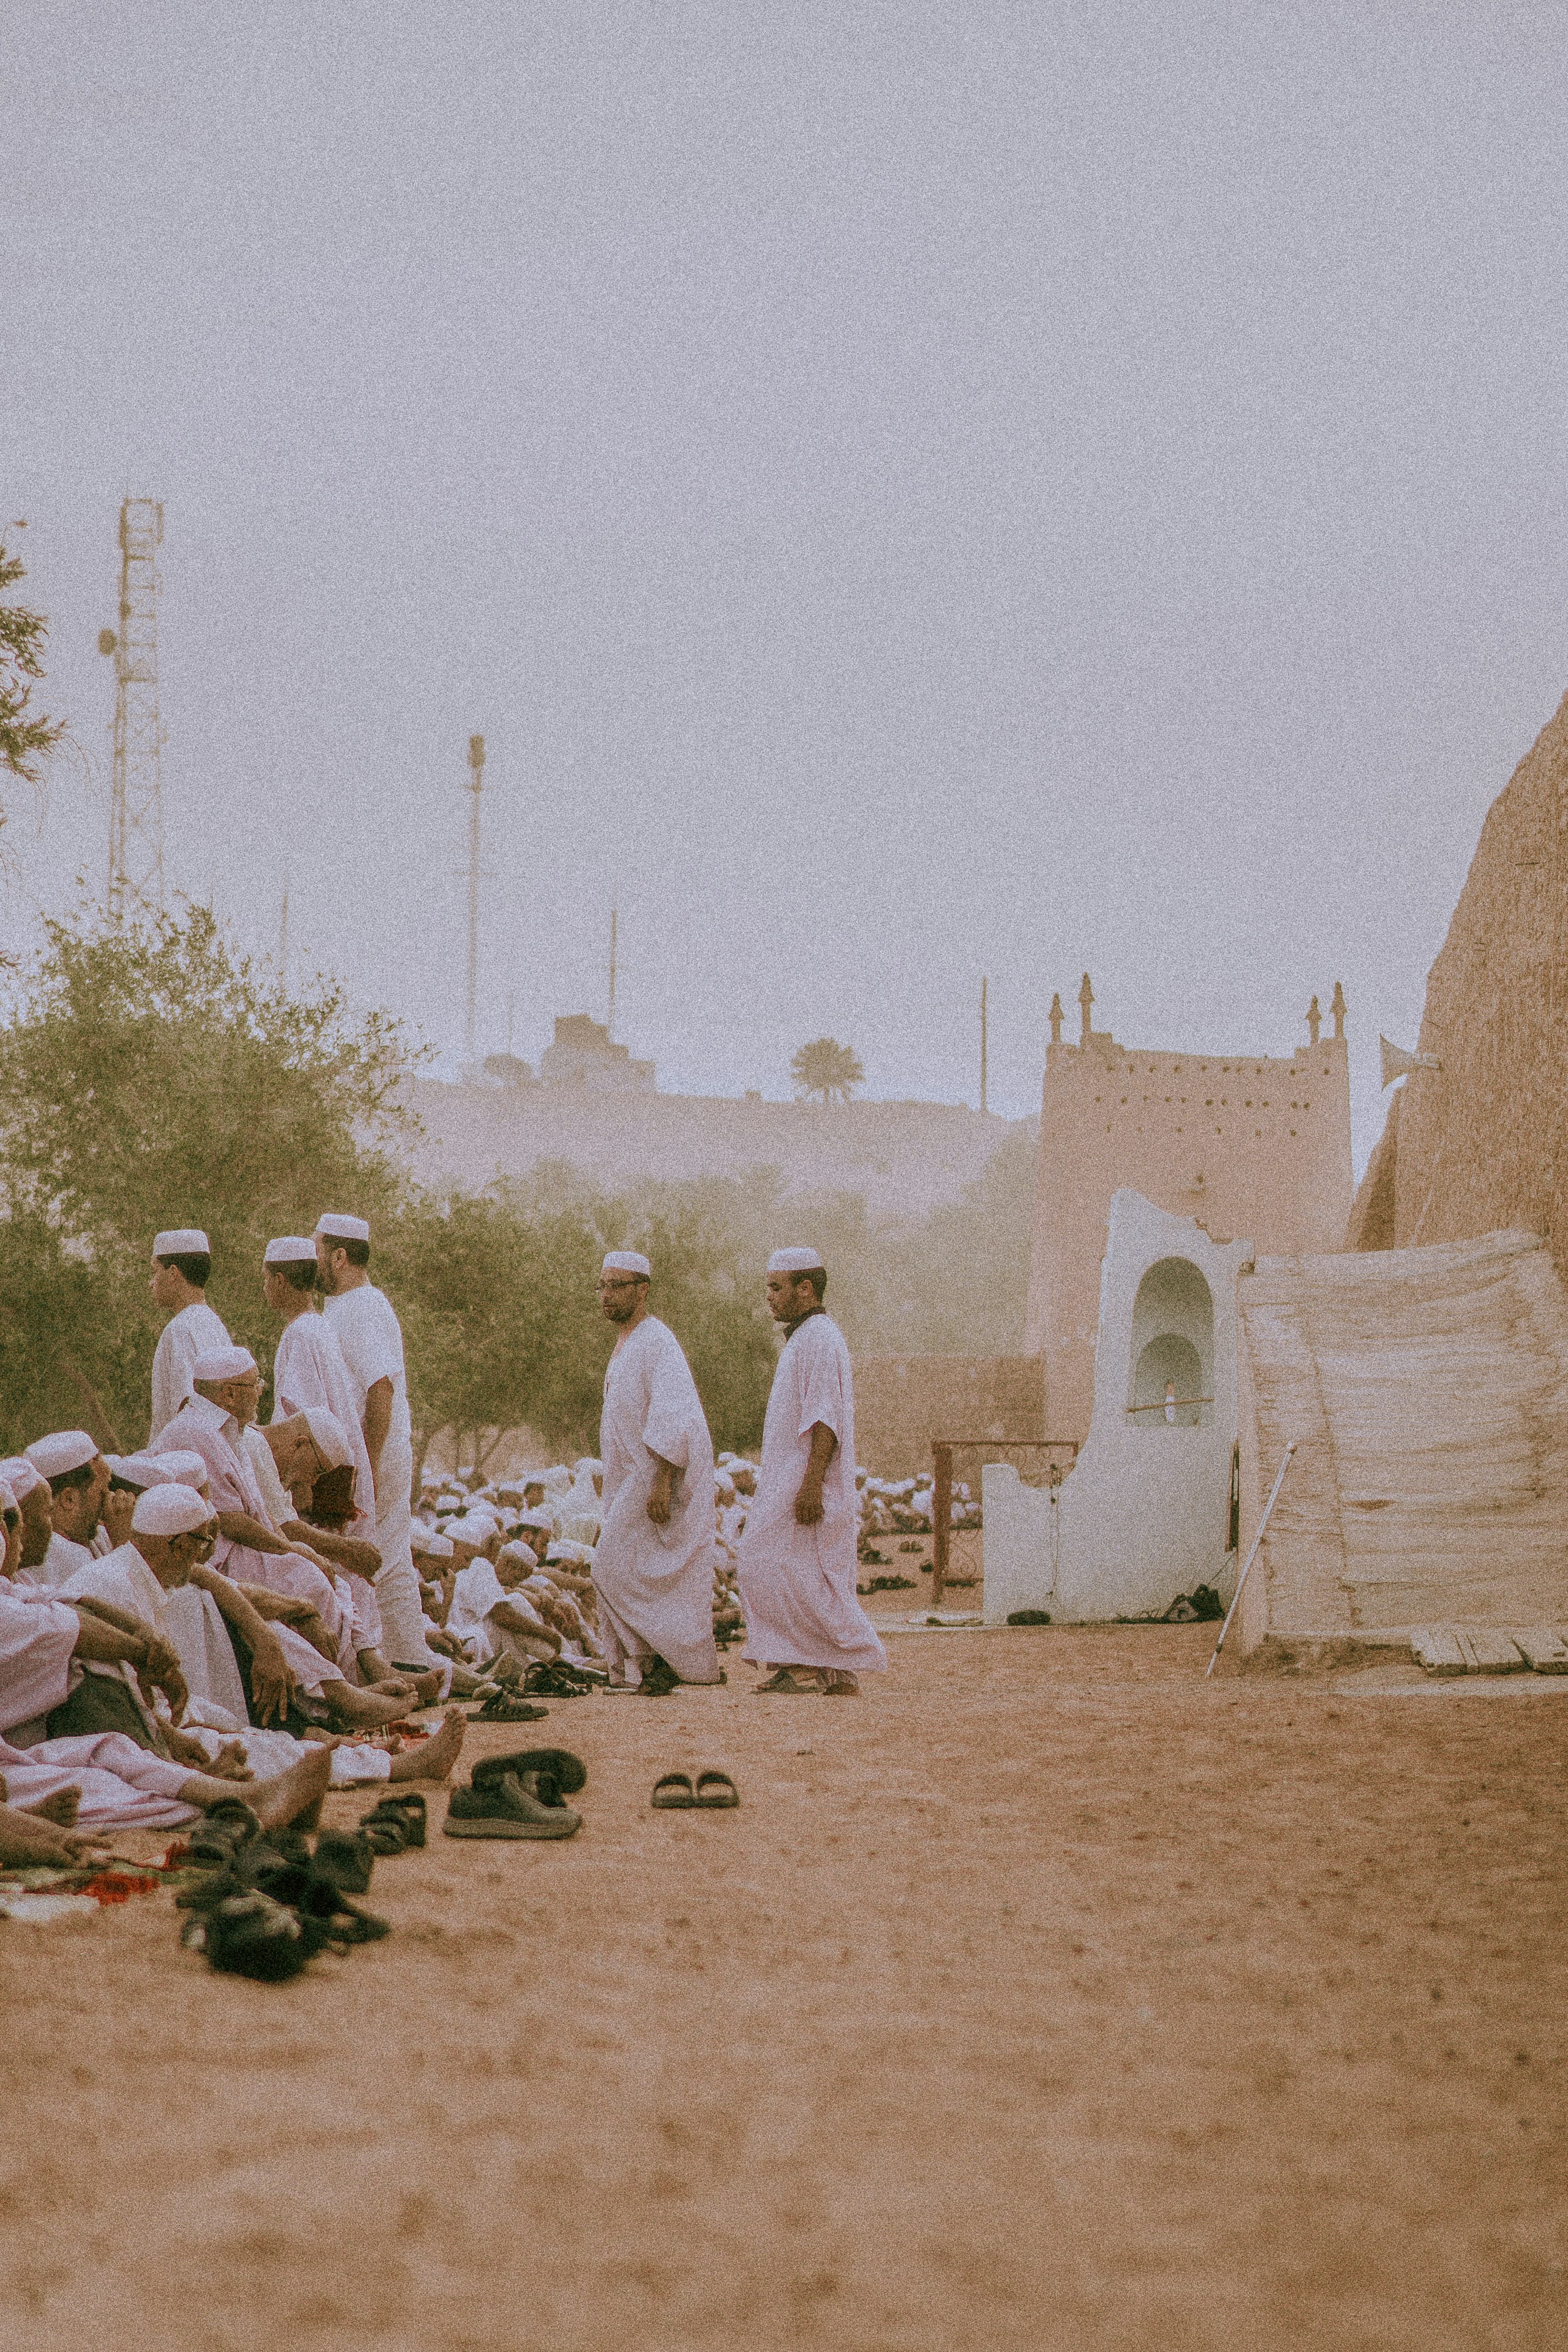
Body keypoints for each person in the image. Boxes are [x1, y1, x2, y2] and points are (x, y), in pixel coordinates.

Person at [736, 1248, 887, 1697]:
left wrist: (811, 1485)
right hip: (793, 1478)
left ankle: (806, 1666)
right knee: (804, 1573)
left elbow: (826, 1421)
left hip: (804, 1481)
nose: (769, 1296)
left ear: (806, 1288)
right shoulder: (806, 1337)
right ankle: (835, 1668)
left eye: (776, 1286)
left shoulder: (819, 1337)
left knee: (764, 1561)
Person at [592, 1249, 721, 1692]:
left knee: (609, 1567)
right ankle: (646, 1663)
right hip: (630, 1477)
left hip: (656, 1474)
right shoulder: (625, 1344)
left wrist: (662, 1479)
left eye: (616, 1286)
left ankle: (663, 1659)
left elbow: (675, 1414)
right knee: (622, 1569)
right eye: (603, 1286)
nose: (607, 1296)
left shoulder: (657, 1340)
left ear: (642, 1289)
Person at [315, 1211, 435, 1671]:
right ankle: (406, 1659)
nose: (315, 1262)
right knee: (387, 1553)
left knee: (373, 1554)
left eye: (319, 1251)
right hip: (375, 1452)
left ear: (340, 1257)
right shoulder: (347, 1305)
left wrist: (366, 1462)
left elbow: (379, 1389)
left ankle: (402, 1662)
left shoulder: (363, 1305)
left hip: (376, 1452)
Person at [148, 1227, 230, 1438]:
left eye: (155, 1272)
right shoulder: (213, 1322)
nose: (151, 1283)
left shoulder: (180, 1330)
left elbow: (189, 1417)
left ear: (173, 1273)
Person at [23, 1431, 112, 1584]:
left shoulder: (90, 1534)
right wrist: (122, 1544)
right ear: (69, 1499)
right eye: (102, 1493)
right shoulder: (57, 1554)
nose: (108, 1502)